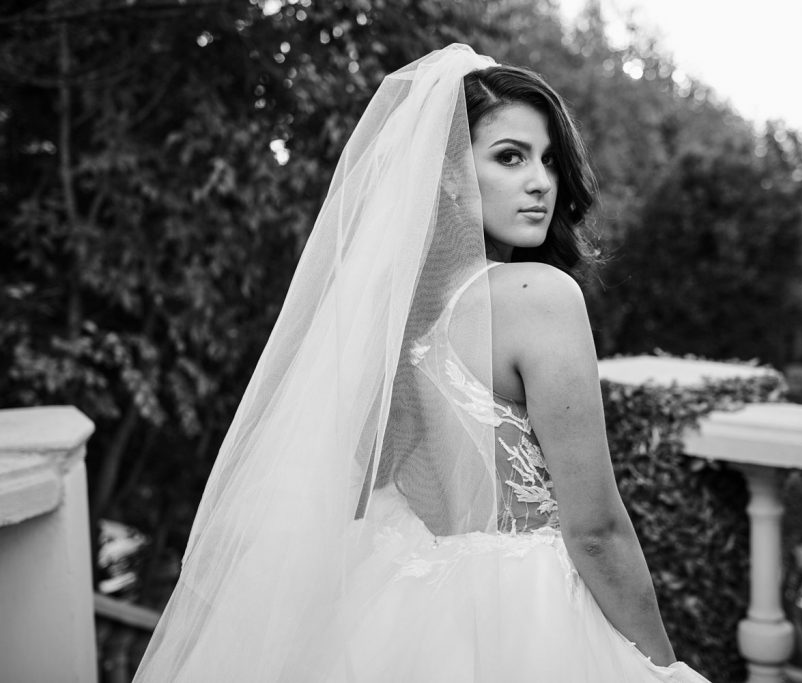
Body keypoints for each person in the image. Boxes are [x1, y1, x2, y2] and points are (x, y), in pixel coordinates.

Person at [134, 44, 709, 682]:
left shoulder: (407, 317)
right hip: (531, 624)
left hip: (418, 608)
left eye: (548, 159)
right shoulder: (540, 297)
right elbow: (596, 529)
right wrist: (664, 667)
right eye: (509, 157)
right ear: (450, 175)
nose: (541, 181)